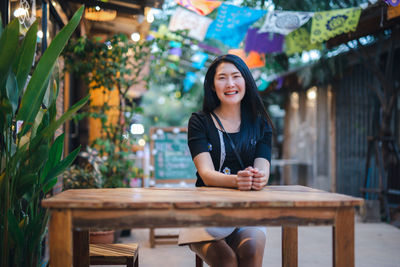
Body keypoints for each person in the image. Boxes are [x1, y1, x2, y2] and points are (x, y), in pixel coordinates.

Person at [178, 54, 273, 267]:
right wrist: (237, 181)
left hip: (245, 211)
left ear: (246, 81)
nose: (230, 84)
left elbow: (263, 169)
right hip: (206, 212)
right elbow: (206, 174)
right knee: (227, 261)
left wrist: (258, 178)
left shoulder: (261, 124)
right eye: (222, 78)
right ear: (212, 86)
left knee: (251, 254)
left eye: (236, 76)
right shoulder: (199, 122)